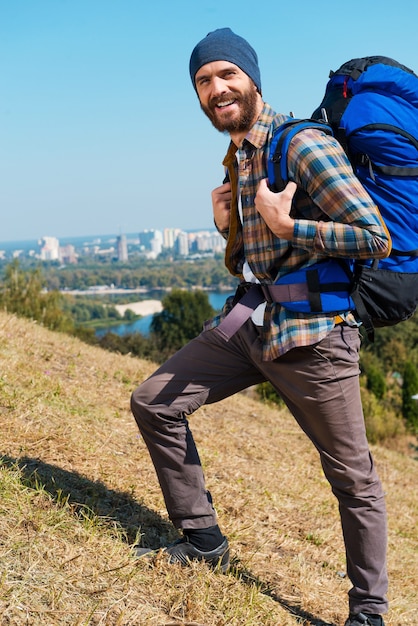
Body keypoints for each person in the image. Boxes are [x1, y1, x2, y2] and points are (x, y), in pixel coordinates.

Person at [131, 28, 390, 626]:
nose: (216, 89)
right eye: (203, 81)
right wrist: (230, 227)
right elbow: (259, 259)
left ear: (252, 78)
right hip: (254, 324)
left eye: (226, 75)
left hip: (316, 339)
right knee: (154, 402)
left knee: (354, 481)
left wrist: (287, 225)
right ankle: (202, 541)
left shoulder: (301, 145)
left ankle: (369, 612)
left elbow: (375, 237)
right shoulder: (240, 153)